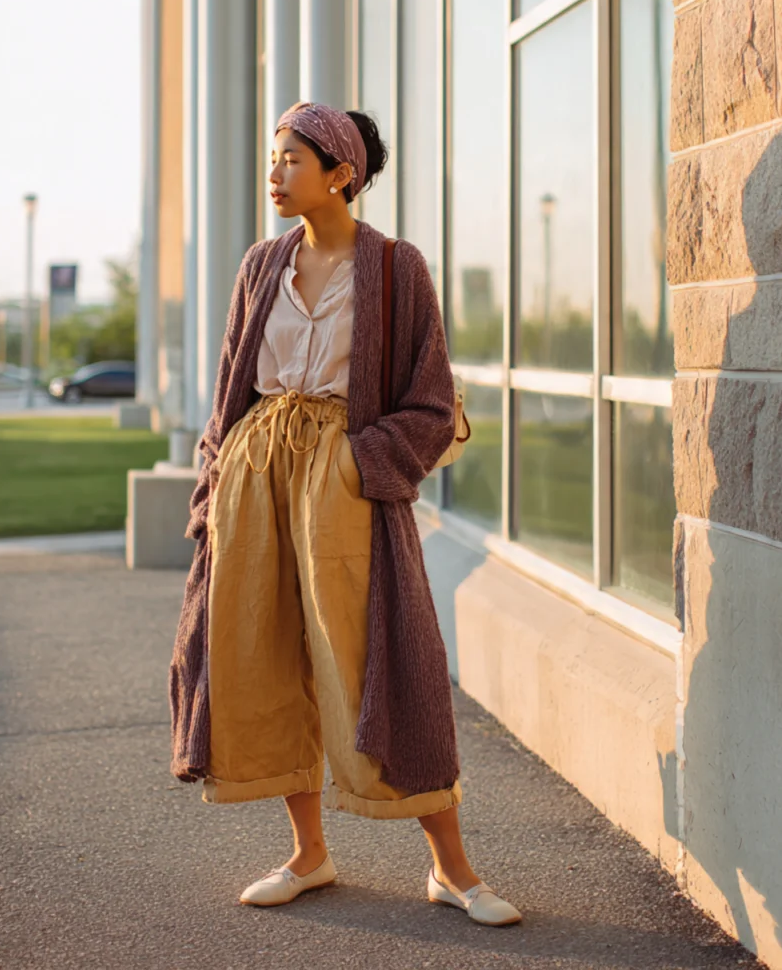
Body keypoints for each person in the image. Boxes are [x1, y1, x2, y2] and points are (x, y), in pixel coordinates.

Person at [168, 101, 521, 927]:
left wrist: (361, 466)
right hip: (255, 478)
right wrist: (215, 479)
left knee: (380, 662)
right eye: (273, 156)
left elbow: (430, 400)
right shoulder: (262, 265)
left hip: (341, 477)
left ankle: (453, 869)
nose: (276, 172)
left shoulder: (397, 268)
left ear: (342, 174)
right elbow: (230, 388)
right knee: (264, 656)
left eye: (293, 158)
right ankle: (308, 854)